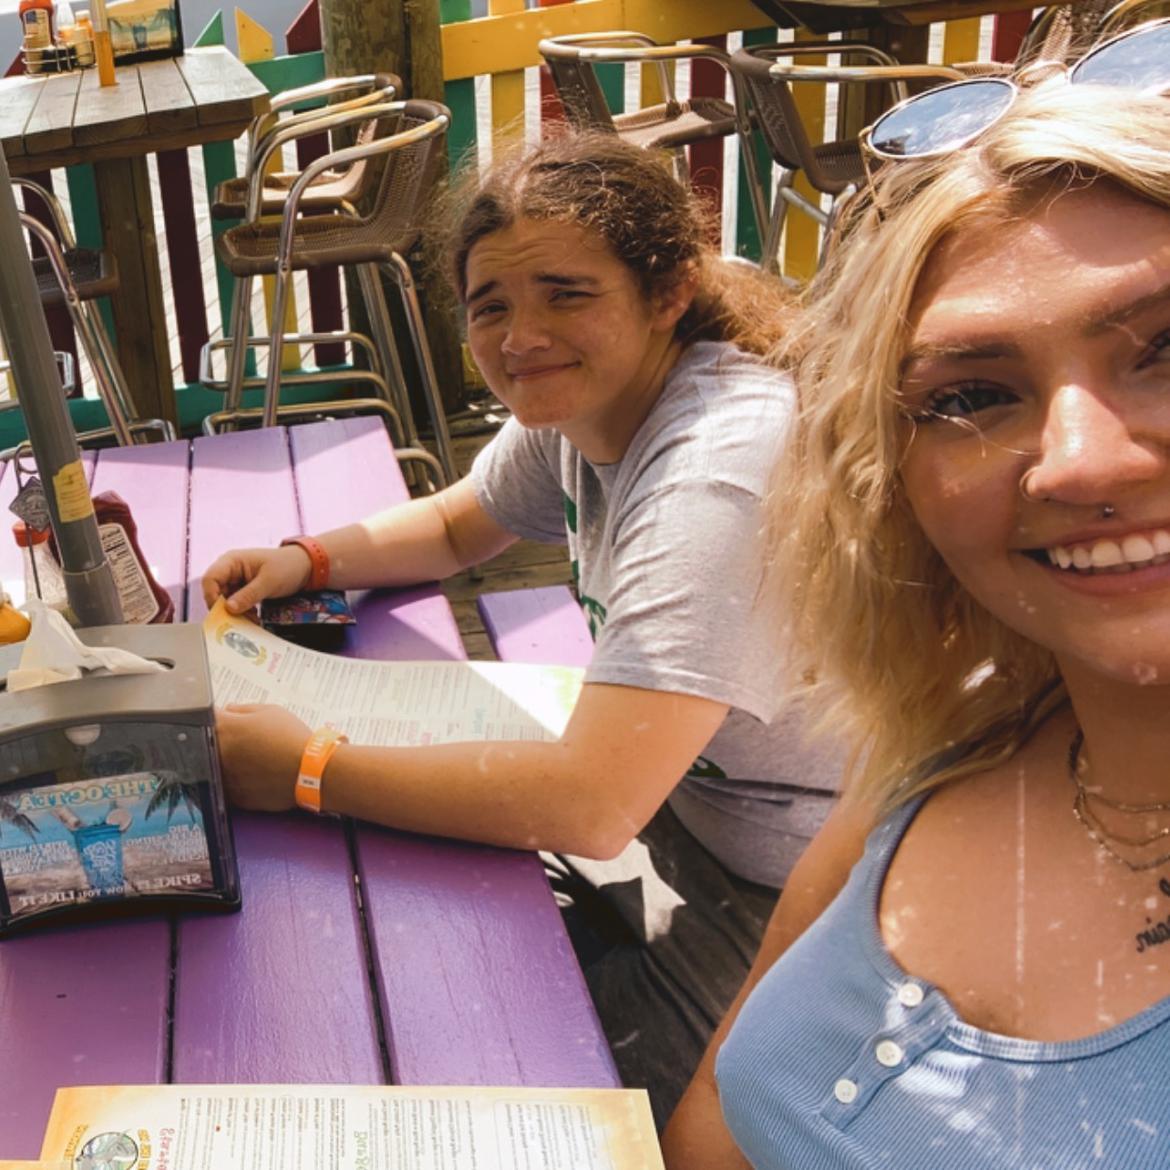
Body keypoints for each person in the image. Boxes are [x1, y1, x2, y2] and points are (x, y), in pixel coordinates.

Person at [202, 133, 840, 1126]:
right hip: (685, 813)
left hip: (804, 891)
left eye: (565, 294)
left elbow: (590, 806)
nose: (521, 336)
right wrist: (310, 559)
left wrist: (307, 771)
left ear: (668, 292)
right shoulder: (592, 403)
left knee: (503, 1074)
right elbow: (461, 524)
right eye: (490, 305)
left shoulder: (720, 472)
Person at [663, 49, 1170, 1170]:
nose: (1080, 462)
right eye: (973, 396)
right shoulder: (945, 742)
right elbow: (718, 1112)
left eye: (1166, 348)